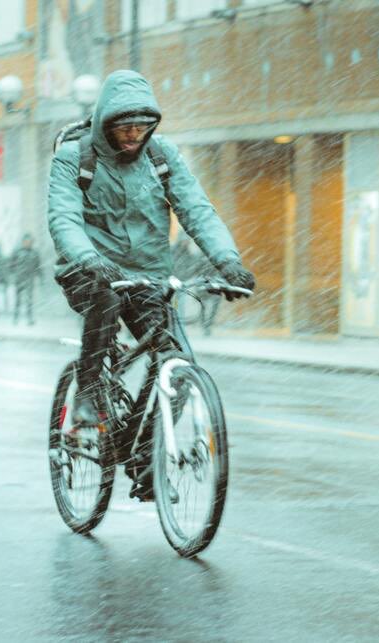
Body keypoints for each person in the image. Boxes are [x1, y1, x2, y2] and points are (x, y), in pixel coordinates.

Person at [48, 69, 255, 425]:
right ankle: (88, 393)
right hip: (89, 272)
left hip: (148, 277)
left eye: (142, 127)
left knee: (175, 360)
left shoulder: (162, 156)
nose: (133, 136)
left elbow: (196, 210)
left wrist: (227, 261)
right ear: (104, 124)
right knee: (105, 299)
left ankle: (143, 455)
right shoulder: (73, 158)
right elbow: (63, 218)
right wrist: (88, 258)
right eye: (124, 127)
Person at [10, 233, 43, 325]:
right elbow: (11, 265)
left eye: (29, 241)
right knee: (18, 300)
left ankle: (29, 319)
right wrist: (12, 275)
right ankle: (15, 318)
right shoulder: (17, 252)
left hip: (29, 280)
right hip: (19, 279)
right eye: (25, 241)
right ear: (23, 242)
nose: (27, 243)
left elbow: (38, 267)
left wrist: (41, 278)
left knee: (29, 301)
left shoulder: (34, 253)